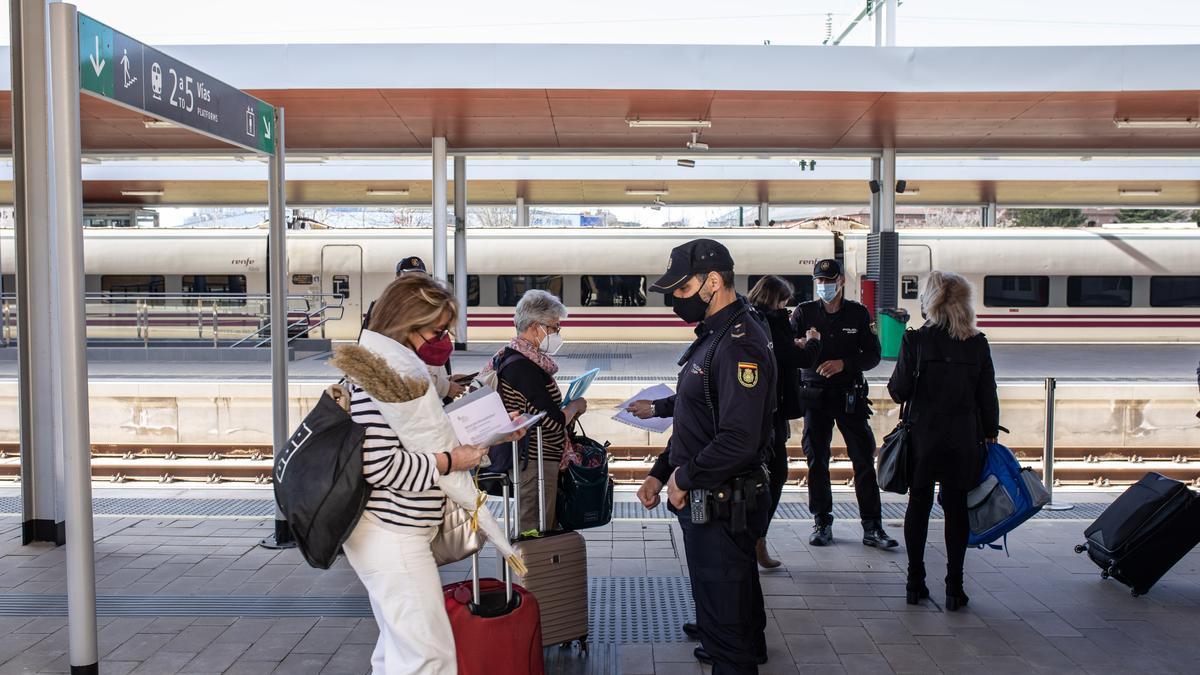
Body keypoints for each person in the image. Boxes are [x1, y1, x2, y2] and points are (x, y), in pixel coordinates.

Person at [341, 273, 494, 672]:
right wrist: (450, 462)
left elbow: (411, 440)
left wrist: (482, 432)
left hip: (390, 532)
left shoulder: (387, 368)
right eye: (437, 329)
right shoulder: (383, 378)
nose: (444, 339)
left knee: (397, 650)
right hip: (391, 536)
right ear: (407, 324)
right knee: (428, 657)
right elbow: (379, 464)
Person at [636, 239, 776, 673]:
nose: (676, 300)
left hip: (720, 502)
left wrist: (683, 478)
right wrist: (662, 471)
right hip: (713, 498)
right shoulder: (718, 335)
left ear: (713, 282)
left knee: (725, 634)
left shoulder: (738, 344)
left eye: (681, 290)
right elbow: (699, 418)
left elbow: (738, 438)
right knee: (730, 612)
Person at [888, 271, 999, 611]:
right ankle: (954, 587)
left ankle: (914, 581)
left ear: (929, 303)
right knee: (956, 511)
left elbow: (898, 391)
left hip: (923, 438)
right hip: (963, 439)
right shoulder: (977, 343)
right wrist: (989, 434)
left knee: (918, 506)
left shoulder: (916, 341)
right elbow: (988, 397)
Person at [791, 259, 897, 549]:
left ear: (841, 282)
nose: (824, 286)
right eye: (820, 281)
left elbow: (873, 355)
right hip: (814, 395)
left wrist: (844, 364)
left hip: (849, 395)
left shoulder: (858, 314)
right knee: (817, 461)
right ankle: (822, 522)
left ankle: (872, 526)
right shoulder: (803, 313)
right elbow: (789, 351)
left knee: (863, 460)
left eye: (829, 280)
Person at [487, 289, 587, 531]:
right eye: (554, 327)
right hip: (534, 462)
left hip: (536, 459)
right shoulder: (523, 367)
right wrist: (575, 406)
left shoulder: (519, 358)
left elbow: (537, 409)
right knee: (533, 530)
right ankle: (529, 570)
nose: (557, 333)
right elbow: (552, 421)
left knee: (540, 527)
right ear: (534, 327)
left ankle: (535, 568)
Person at [747, 275, 822, 569]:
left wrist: (794, 344)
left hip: (762, 410)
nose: (787, 306)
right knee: (775, 476)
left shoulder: (753, 319)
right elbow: (797, 360)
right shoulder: (771, 321)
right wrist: (812, 344)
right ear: (775, 299)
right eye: (784, 300)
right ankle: (757, 540)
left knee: (768, 475)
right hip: (771, 413)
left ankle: (756, 540)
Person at [362, 256, 467, 401]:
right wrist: (445, 387)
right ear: (396, 280)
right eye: (409, 279)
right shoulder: (384, 312)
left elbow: (429, 362)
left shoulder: (428, 312)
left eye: (420, 279)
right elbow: (402, 371)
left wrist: (447, 378)